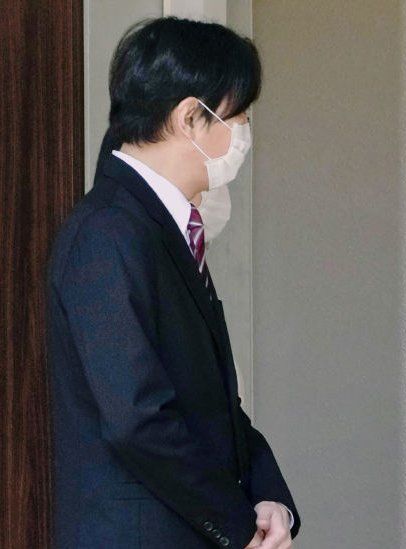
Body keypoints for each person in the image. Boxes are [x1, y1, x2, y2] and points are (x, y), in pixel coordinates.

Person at [47, 18, 297, 549]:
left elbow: (211, 404)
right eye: (239, 117)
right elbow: (139, 420)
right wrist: (236, 525)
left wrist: (269, 497)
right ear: (190, 117)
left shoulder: (157, 226)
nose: (245, 135)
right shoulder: (107, 233)